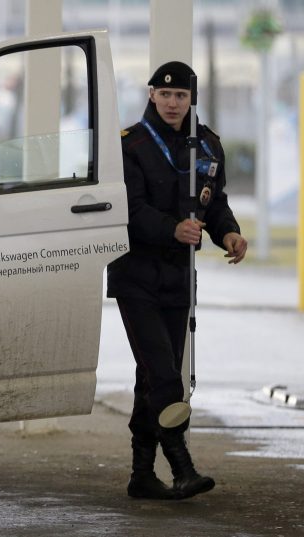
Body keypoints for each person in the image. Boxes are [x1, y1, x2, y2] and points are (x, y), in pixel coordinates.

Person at [107, 61, 248, 500]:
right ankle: (182, 467)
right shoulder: (129, 145)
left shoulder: (206, 146)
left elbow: (214, 202)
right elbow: (129, 209)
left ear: (192, 99)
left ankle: (141, 474)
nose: (172, 103)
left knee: (151, 376)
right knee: (167, 378)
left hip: (178, 278)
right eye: (164, 95)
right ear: (151, 95)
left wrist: (227, 231)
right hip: (136, 277)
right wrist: (172, 228)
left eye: (180, 96)